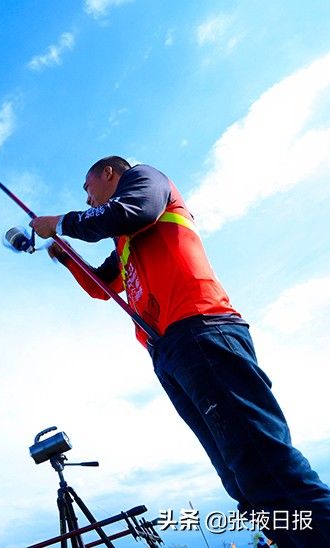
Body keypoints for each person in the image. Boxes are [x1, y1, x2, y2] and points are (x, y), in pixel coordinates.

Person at [29, 156, 330, 547]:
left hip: (200, 329)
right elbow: (102, 285)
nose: (87, 201)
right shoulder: (127, 240)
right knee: (242, 481)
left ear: (109, 174)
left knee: (268, 470)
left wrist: (61, 222)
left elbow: (131, 210)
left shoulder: (144, 182)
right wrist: (65, 252)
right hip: (171, 350)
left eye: (88, 190)